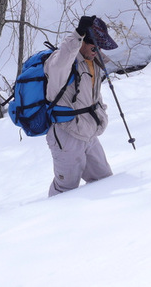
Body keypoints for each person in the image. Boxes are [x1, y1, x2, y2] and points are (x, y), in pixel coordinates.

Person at [43, 15, 119, 196]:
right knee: (65, 190)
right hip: (66, 135)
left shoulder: (93, 63)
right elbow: (63, 58)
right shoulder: (61, 63)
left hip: (88, 133)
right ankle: (51, 221)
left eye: (99, 47)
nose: (97, 51)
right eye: (94, 46)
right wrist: (77, 34)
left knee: (105, 180)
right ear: (82, 42)